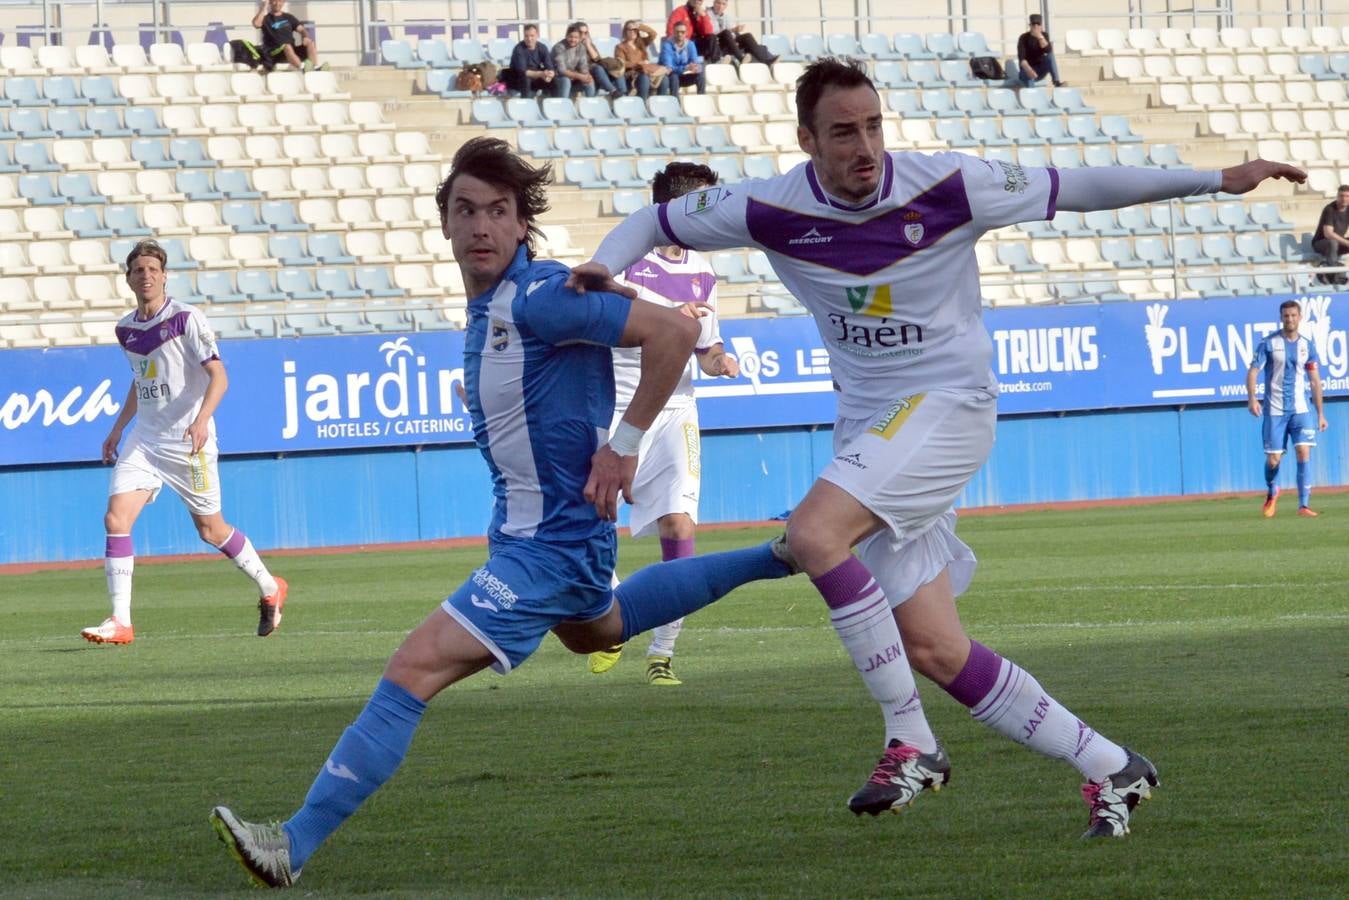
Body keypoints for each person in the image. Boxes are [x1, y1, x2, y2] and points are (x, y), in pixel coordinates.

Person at [569, 57, 1306, 838]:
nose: (864, 147)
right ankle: (1110, 766)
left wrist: (1218, 179)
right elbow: (656, 221)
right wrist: (601, 265)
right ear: (805, 139)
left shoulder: (948, 184)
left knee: (816, 534)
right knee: (932, 646)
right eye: (843, 132)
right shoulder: (766, 207)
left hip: (949, 405)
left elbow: (1079, 186)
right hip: (870, 426)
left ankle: (910, 740)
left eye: (873, 126)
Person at [209, 137, 794, 888]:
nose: (480, 226)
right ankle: (781, 555)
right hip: (539, 538)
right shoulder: (493, 306)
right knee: (600, 630)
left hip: (547, 545)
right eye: (465, 211)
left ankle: (293, 842)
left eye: (497, 211)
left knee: (412, 667)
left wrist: (622, 447)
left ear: (522, 225)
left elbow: (677, 333)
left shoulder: (538, 294)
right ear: (445, 226)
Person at [82, 240, 288, 646]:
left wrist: (201, 421)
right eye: (138, 270)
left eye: (153, 269)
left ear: (164, 275)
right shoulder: (125, 329)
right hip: (145, 438)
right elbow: (141, 381)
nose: (146, 276)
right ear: (128, 278)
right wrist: (118, 428)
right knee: (115, 519)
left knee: (211, 530)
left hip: (187, 440)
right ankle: (121, 621)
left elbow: (219, 376)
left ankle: (269, 585)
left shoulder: (186, 319)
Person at [586, 163, 741, 685]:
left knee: (681, 524)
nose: (716, 214)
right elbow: (608, 324)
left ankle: (662, 653)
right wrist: (672, 314)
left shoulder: (704, 269)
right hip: (623, 406)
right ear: (676, 210)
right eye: (707, 203)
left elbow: (706, 344)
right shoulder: (627, 259)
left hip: (678, 405)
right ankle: (609, 623)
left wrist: (721, 362)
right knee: (596, 517)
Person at [1246, 300, 1328, 518]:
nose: (1289, 319)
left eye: (1293, 315)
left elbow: (1315, 380)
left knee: (1303, 451)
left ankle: (1303, 505)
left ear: (1300, 317)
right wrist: (1252, 398)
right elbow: (1253, 371)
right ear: (1281, 317)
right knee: (1274, 460)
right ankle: (1272, 489)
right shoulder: (1269, 344)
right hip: (1274, 410)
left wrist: (1320, 413)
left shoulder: (1307, 346)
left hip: (1301, 410)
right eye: (1285, 316)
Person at [552, 22, 624, 99]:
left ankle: (590, 104)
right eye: (570, 37)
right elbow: (561, 70)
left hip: (576, 75)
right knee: (566, 80)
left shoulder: (581, 47)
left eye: (576, 37)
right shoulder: (559, 47)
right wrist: (581, 76)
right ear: (566, 36)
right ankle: (564, 105)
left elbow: (584, 66)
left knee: (589, 80)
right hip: (558, 77)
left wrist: (586, 75)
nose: (573, 40)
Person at [251, 0, 325, 72]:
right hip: (275, 53)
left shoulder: (288, 17)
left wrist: (305, 37)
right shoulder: (266, 18)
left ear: (283, 2)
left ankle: (315, 68)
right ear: (270, 2)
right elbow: (256, 24)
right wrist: (264, 6)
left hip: (291, 51)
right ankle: (302, 69)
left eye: (280, 1)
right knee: (287, 46)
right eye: (274, 1)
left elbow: (302, 30)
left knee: (310, 43)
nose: (277, 3)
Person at [707, 0, 778, 65]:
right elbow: (712, 32)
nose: (720, 6)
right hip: (715, 43)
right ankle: (741, 58)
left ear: (726, 6)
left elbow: (731, 33)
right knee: (726, 32)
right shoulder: (708, 13)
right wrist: (732, 30)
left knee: (747, 36)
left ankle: (766, 60)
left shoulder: (726, 17)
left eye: (723, 4)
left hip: (727, 41)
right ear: (714, 3)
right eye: (718, 3)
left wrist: (735, 34)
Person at [1311, 184, 1349, 285]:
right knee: (1332, 243)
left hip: (1337, 243)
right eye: (1341, 196)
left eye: (1347, 196)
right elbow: (1328, 233)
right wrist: (1346, 242)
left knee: (1335, 243)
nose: (1344, 199)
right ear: (1337, 196)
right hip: (1321, 243)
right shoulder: (1330, 209)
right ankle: (1335, 278)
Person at [615, 19, 663, 99]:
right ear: (625, 32)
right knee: (644, 77)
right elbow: (621, 63)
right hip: (631, 74)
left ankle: (660, 104)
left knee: (663, 78)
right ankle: (642, 103)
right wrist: (638, 63)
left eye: (634, 30)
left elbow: (653, 34)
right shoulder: (620, 47)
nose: (632, 31)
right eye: (629, 29)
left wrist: (640, 26)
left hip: (646, 71)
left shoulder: (641, 43)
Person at [506, 23, 556, 98]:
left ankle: (550, 104)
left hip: (535, 75)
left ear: (537, 35)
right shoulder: (519, 49)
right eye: (526, 36)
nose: (529, 39)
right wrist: (541, 74)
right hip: (517, 78)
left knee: (555, 80)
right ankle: (526, 104)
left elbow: (549, 66)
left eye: (532, 36)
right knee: (526, 79)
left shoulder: (542, 47)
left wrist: (550, 74)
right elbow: (523, 71)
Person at [659, 21, 707, 95]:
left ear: (686, 33)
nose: (680, 34)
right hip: (669, 77)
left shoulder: (690, 44)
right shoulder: (667, 45)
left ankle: (702, 100)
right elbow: (669, 67)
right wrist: (685, 68)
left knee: (700, 74)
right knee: (674, 76)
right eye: (677, 32)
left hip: (684, 75)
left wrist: (695, 67)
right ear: (673, 32)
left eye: (682, 32)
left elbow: (694, 62)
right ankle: (675, 102)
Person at [1016, 14, 1063, 88]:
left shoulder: (1044, 35)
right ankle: (1032, 93)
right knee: (1028, 75)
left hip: (1040, 69)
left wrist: (1039, 37)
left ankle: (1056, 82)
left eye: (1038, 24)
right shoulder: (1023, 37)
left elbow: (1048, 50)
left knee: (1050, 56)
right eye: (1033, 24)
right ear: (1030, 25)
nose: (1036, 26)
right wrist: (1029, 70)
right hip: (1026, 69)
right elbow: (1021, 59)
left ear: (1041, 26)